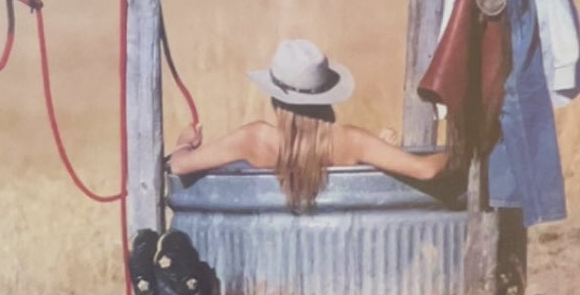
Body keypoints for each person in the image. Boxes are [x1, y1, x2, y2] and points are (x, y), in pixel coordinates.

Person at [167, 39, 448, 212]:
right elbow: (426, 170)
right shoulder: (349, 141)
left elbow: (179, 165)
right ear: (327, 97)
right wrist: (470, 146)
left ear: (276, 98)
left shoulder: (255, 139)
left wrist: (184, 142)